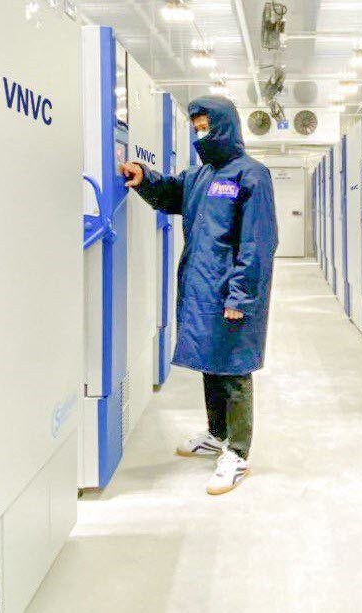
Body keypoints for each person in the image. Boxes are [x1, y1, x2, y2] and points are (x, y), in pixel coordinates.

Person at [120, 95, 278, 495]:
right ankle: (216, 433)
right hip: (202, 287)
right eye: (196, 127)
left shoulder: (251, 175)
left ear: (225, 125)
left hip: (231, 290)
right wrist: (144, 175)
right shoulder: (199, 176)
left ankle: (238, 452)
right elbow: (171, 192)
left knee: (235, 369)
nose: (200, 133)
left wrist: (240, 297)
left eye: (206, 125)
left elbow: (258, 243)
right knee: (211, 361)